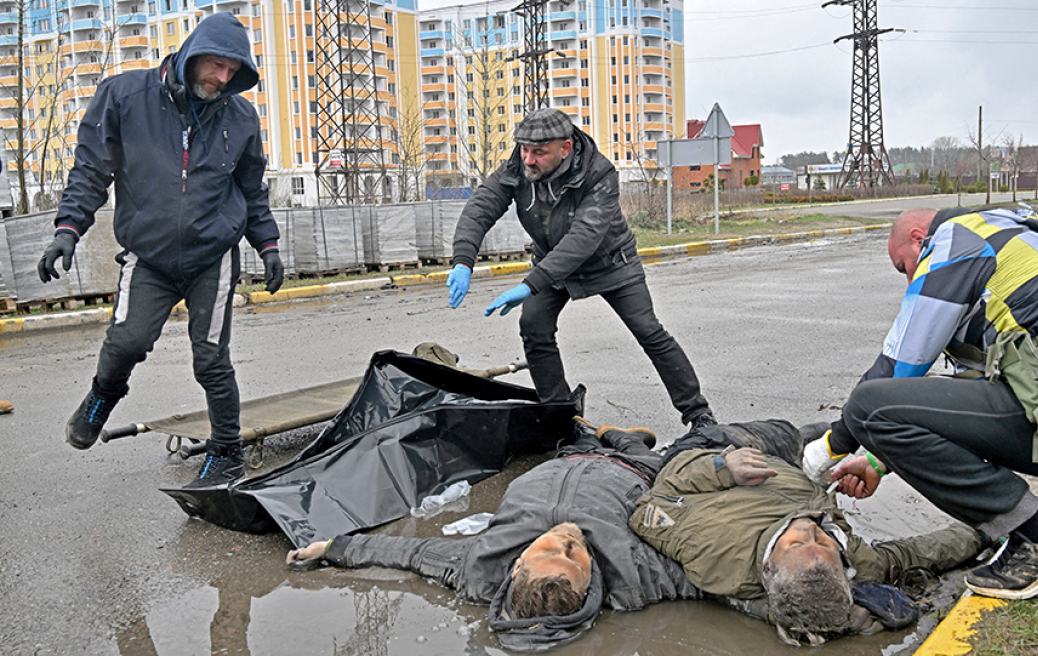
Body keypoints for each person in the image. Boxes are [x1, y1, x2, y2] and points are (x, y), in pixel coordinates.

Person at [803, 206, 1038, 600]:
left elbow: (898, 368)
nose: (910, 278)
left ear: (916, 237)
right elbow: (979, 397)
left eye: (903, 266)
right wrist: (879, 459)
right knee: (1020, 376)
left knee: (867, 406)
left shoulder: (957, 241)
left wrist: (832, 446)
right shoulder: (1019, 229)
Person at [36, 13, 284, 487]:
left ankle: (226, 453)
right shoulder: (125, 97)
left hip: (212, 253)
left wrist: (267, 243)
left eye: (233, 71)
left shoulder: (240, 116)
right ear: (192, 53)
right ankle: (102, 396)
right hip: (148, 254)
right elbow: (91, 170)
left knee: (211, 358)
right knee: (127, 342)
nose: (223, 78)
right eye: (216, 65)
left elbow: (252, 190)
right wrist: (68, 229)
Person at [287, 419, 702, 652]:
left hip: (566, 460)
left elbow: (408, 552)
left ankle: (597, 433)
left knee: (574, 437)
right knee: (647, 449)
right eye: (574, 555)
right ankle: (619, 437)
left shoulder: (480, 567)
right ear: (591, 583)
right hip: (631, 470)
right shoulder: (636, 579)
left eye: (554, 547)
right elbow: (714, 574)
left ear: (518, 563)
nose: (566, 536)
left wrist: (332, 547)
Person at [444, 107, 715, 431]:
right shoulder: (518, 167)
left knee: (649, 331)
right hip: (551, 260)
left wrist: (531, 284)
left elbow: (583, 238)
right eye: (524, 149)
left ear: (565, 148)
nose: (528, 159)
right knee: (534, 326)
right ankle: (560, 416)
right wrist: (463, 260)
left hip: (611, 262)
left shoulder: (599, 174)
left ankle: (699, 415)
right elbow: (481, 208)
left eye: (539, 152)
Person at [633, 419, 985, 646]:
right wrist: (985, 533)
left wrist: (723, 468)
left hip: (714, 450)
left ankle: (627, 441)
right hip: (791, 471)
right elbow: (918, 553)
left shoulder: (711, 550)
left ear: (769, 566)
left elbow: (649, 505)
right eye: (823, 542)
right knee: (833, 436)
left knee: (801, 434)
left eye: (798, 543)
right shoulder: (860, 564)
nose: (808, 528)